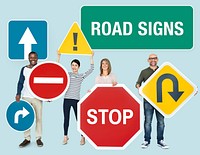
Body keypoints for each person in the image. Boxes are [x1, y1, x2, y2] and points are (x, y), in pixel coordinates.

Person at [57, 51, 94, 145]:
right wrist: (58, 56)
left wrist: (91, 56)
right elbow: (57, 68)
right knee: (66, 118)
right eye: (72, 65)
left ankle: (83, 137)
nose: (74, 67)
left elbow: (91, 69)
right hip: (66, 99)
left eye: (76, 65)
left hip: (76, 100)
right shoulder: (67, 74)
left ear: (78, 67)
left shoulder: (81, 76)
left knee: (79, 119)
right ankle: (65, 136)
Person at [136, 54, 169, 149]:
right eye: (151, 58)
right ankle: (146, 140)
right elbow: (138, 83)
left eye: (154, 58)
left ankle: (160, 141)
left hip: (160, 101)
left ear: (157, 59)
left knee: (161, 122)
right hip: (148, 101)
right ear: (148, 60)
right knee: (147, 121)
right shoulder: (144, 72)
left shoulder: (163, 70)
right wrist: (139, 88)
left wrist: (191, 90)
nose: (153, 60)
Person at [16, 51, 43, 148]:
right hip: (26, 97)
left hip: (37, 97)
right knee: (25, 119)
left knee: (39, 118)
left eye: (35, 57)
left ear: (37, 58)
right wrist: (18, 93)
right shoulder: (24, 69)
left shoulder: (40, 68)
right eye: (31, 57)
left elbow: (44, 84)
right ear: (28, 58)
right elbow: (20, 82)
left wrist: (48, 96)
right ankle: (27, 138)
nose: (33, 59)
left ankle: (38, 138)